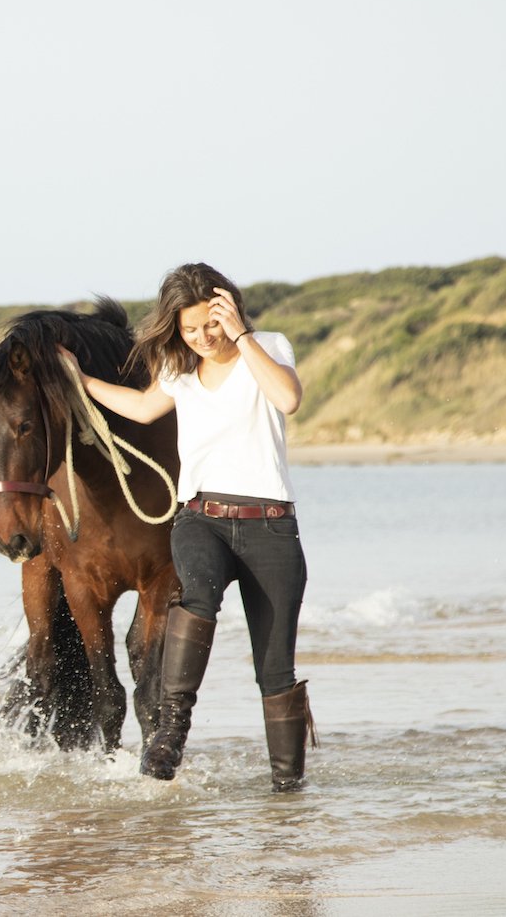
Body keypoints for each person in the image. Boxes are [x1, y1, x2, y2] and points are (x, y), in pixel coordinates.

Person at [58, 263, 314, 792]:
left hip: (269, 524)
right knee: (195, 593)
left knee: (275, 670)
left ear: (229, 309)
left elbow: (287, 398)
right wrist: (81, 381)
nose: (202, 338)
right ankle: (169, 734)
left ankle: (288, 789)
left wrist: (241, 336)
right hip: (201, 518)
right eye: (190, 330)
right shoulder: (178, 369)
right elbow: (143, 407)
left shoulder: (267, 346)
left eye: (210, 325)